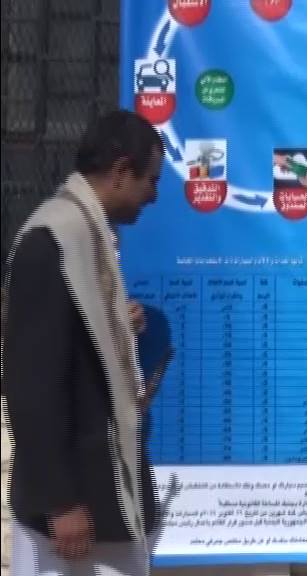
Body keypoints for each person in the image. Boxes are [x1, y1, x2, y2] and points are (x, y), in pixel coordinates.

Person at [1, 109, 164, 575]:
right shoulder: (50, 241)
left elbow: (74, 344)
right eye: (151, 181)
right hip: (75, 515)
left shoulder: (88, 234)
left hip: (101, 498)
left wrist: (117, 326)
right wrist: (60, 502)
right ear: (121, 172)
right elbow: (31, 384)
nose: (154, 196)